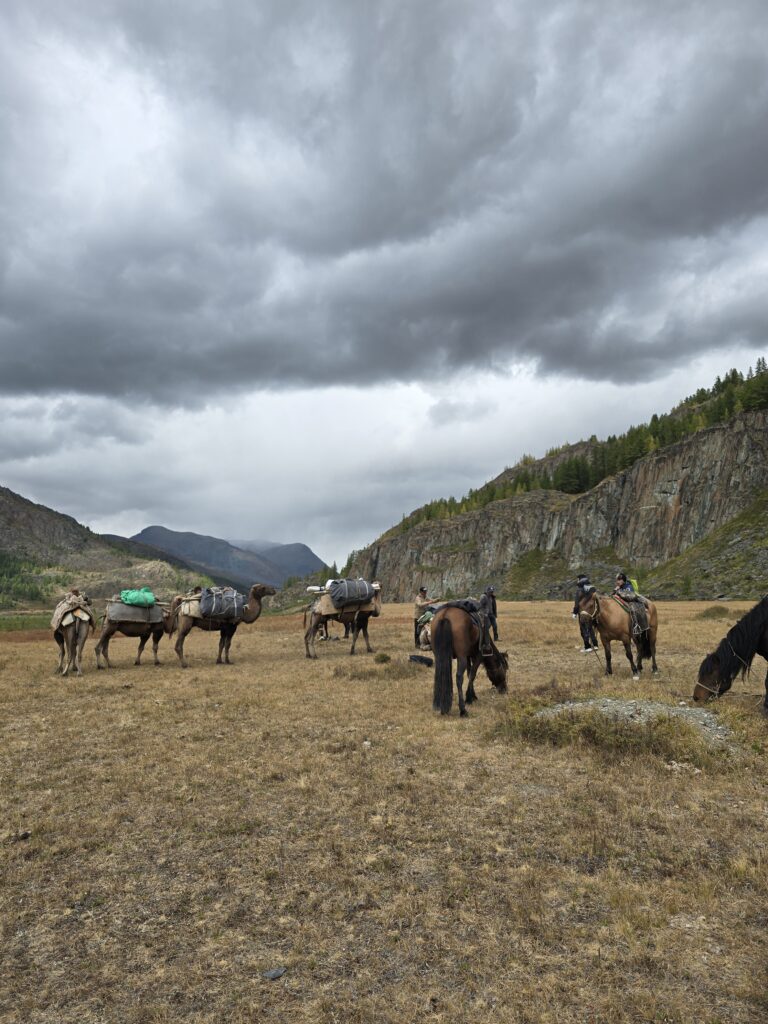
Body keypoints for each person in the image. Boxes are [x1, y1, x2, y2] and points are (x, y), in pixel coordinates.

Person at [572, 574, 598, 653]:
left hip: (583, 613)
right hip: (592, 613)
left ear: (580, 580)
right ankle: (595, 645)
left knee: (583, 630)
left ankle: (587, 647)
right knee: (590, 629)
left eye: (578, 579)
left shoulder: (579, 591)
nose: (577, 581)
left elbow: (577, 604)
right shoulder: (592, 589)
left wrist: (574, 613)